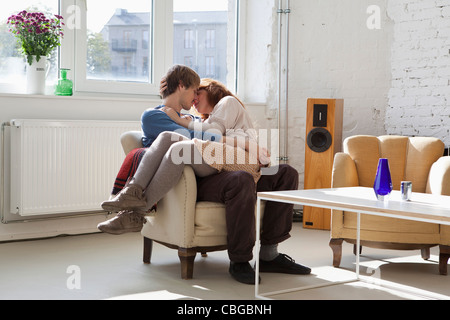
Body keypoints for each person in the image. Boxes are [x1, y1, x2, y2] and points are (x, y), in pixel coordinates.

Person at [98, 65, 311, 284]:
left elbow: (197, 126)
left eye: (199, 93)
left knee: (286, 173)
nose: (194, 100)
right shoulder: (161, 116)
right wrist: (244, 144)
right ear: (181, 88)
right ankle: (240, 261)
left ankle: (269, 255)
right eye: (193, 92)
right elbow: (187, 134)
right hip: (205, 177)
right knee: (240, 179)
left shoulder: (207, 116)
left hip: (228, 164)